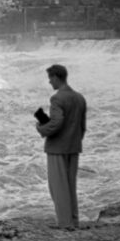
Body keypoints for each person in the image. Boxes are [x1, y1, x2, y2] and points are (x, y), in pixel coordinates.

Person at [35, 64, 87, 229]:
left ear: (57, 77)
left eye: (50, 78)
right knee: (70, 186)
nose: (49, 82)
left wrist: (41, 128)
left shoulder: (57, 98)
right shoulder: (79, 98)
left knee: (58, 188)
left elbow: (56, 123)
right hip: (74, 147)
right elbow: (82, 126)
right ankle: (73, 221)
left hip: (57, 148)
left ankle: (65, 224)